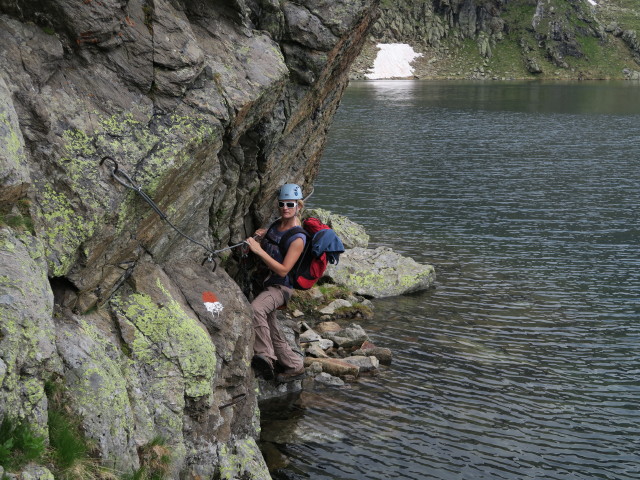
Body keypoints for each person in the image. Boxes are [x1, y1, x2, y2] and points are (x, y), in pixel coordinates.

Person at [245, 183, 306, 383]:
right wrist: (262, 236)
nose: (285, 207)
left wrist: (258, 250)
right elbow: (273, 242)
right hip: (266, 282)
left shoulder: (298, 238)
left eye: (290, 204)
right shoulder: (276, 225)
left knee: (256, 309)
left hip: (281, 287)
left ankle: (266, 358)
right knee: (271, 326)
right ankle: (294, 366)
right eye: (282, 203)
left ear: (299, 206)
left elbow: (283, 269)